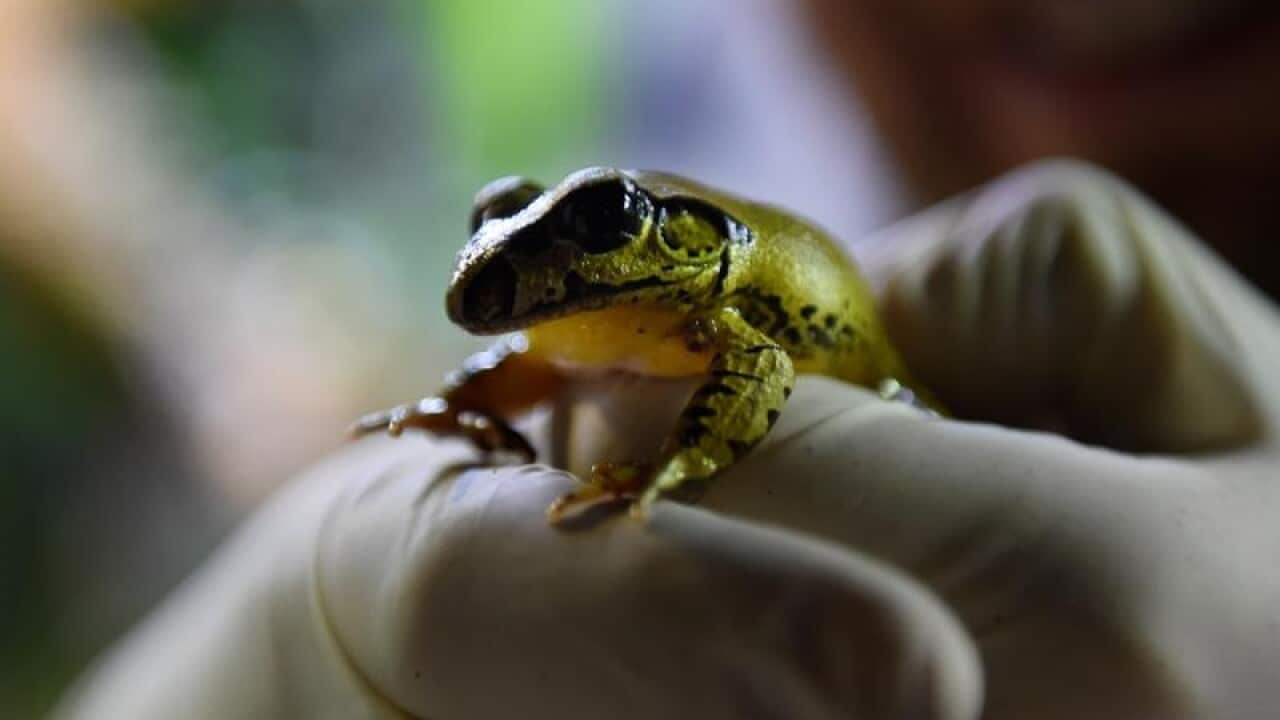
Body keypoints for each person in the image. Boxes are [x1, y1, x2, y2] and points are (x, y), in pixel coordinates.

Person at [55, 7, 1280, 720]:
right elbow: (535, 370)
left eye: (593, 225)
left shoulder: (720, 285)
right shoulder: (685, 82)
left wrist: (680, 466)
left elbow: (747, 372)